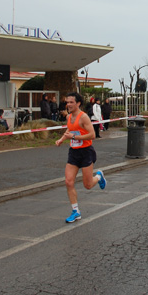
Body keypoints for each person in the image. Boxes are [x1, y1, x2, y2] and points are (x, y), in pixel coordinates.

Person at [55, 92, 106, 223]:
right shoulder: (69, 117)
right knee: (68, 181)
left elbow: (92, 135)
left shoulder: (84, 117)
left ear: (78, 103)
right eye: (67, 102)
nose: (68, 104)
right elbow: (69, 132)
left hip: (86, 152)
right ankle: (75, 211)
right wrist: (61, 139)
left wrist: (74, 137)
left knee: (87, 185)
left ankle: (99, 176)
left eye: (71, 102)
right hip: (74, 152)